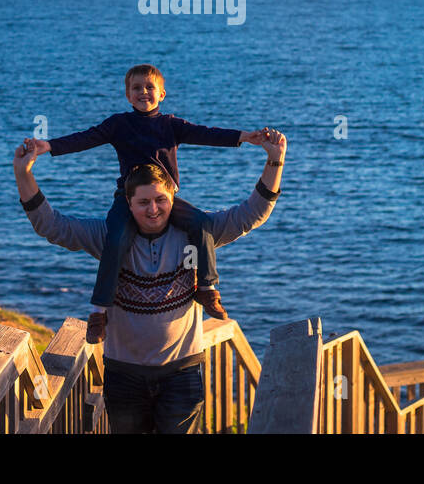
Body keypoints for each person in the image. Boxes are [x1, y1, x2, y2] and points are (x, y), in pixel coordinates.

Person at [13, 127, 286, 434]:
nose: (153, 209)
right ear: (128, 204)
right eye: (143, 202)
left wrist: (274, 161)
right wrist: (24, 174)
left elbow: (250, 214)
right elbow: (52, 226)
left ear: (172, 196)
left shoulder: (197, 234)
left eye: (160, 199)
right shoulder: (108, 237)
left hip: (181, 373)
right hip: (124, 375)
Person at [27, 63, 263, 343]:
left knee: (202, 225)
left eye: (149, 87)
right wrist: (49, 145)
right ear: (127, 95)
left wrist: (243, 137)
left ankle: (208, 288)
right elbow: (86, 138)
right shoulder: (118, 124)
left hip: (167, 199)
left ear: (162, 93)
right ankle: (98, 312)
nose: (143, 92)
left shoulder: (171, 125)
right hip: (128, 200)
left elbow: (206, 133)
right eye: (136, 88)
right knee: (114, 239)